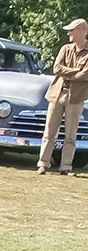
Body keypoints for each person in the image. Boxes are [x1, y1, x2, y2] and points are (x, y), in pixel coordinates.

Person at [37, 17, 88, 175]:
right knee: (49, 132)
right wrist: (74, 72)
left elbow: (86, 75)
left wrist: (70, 74)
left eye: (72, 30)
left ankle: (66, 166)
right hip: (57, 94)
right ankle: (43, 164)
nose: (69, 34)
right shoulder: (65, 49)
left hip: (76, 98)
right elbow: (57, 68)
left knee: (70, 135)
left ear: (81, 31)